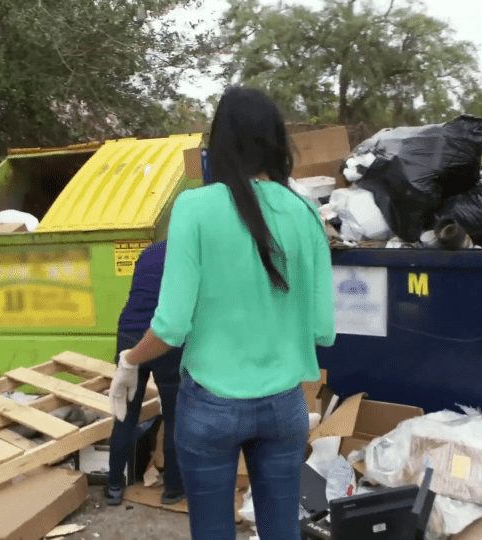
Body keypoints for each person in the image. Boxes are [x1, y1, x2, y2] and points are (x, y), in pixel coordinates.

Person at [108, 87, 335, 540]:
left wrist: (130, 360)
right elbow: (323, 330)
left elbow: (171, 327)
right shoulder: (306, 212)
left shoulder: (195, 207)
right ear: (276, 143)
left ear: (220, 144)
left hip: (210, 405)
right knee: (280, 531)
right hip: (285, 404)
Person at [105, 241, 185, 507]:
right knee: (175, 416)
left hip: (128, 331)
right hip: (164, 336)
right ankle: (173, 490)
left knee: (124, 413)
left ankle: (114, 486)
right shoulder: (190, 252)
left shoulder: (149, 252)